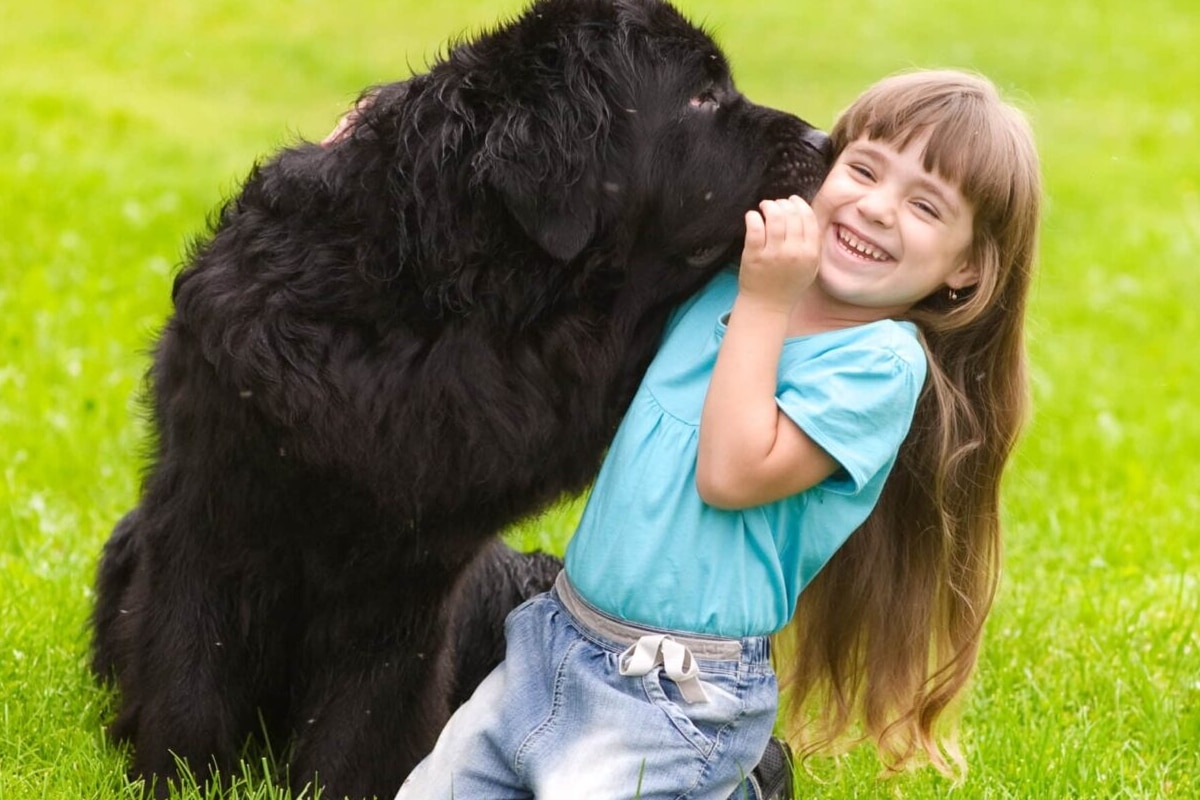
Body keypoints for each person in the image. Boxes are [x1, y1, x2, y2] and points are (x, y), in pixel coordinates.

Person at [386, 68, 1041, 799]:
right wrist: (381, 135)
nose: (877, 209)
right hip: (551, 644)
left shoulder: (877, 365)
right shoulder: (734, 271)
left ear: (967, 270)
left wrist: (765, 301)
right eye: (862, 169)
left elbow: (731, 473)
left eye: (925, 205)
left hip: (673, 697)